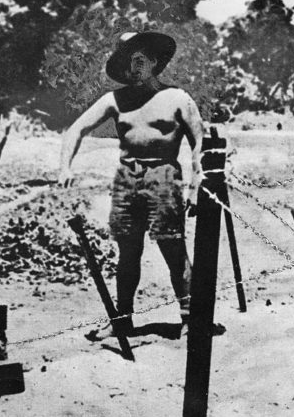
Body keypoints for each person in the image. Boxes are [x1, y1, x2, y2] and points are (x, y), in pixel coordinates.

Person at [58, 32, 204, 339]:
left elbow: (199, 142)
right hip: (126, 180)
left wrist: (195, 183)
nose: (133, 68)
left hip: (164, 178)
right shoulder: (116, 100)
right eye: (128, 63)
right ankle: (122, 320)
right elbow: (75, 129)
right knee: (127, 252)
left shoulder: (177, 98)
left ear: (153, 62)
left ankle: (191, 318)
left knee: (173, 248)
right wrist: (65, 167)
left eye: (139, 61)